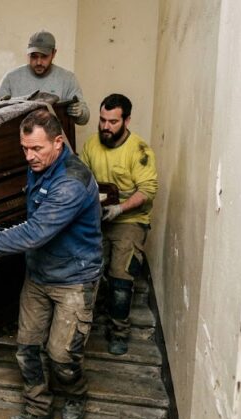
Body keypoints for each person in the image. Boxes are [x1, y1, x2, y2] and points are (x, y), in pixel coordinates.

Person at [0, 109, 103, 419]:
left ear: (58, 142)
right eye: (24, 148)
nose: (28, 156)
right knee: (27, 348)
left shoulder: (71, 182)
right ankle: (38, 410)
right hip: (39, 275)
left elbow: (35, 232)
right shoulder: (41, 165)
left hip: (74, 281)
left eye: (36, 148)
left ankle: (76, 395)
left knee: (62, 355)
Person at [79, 94, 158, 355]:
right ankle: (83, 327)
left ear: (127, 120)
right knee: (88, 270)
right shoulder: (92, 145)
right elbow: (81, 180)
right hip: (97, 217)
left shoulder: (140, 151)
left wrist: (120, 209)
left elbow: (148, 189)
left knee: (121, 277)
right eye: (102, 120)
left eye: (113, 122)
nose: (105, 126)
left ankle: (119, 331)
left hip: (129, 219)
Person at [0, 30, 90, 125]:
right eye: (34, 56)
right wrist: (1, 106)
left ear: (54, 53)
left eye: (44, 56)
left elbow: (84, 118)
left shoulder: (68, 79)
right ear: (28, 54)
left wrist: (80, 113)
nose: (38, 62)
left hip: (54, 138)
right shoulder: (11, 78)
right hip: (17, 137)